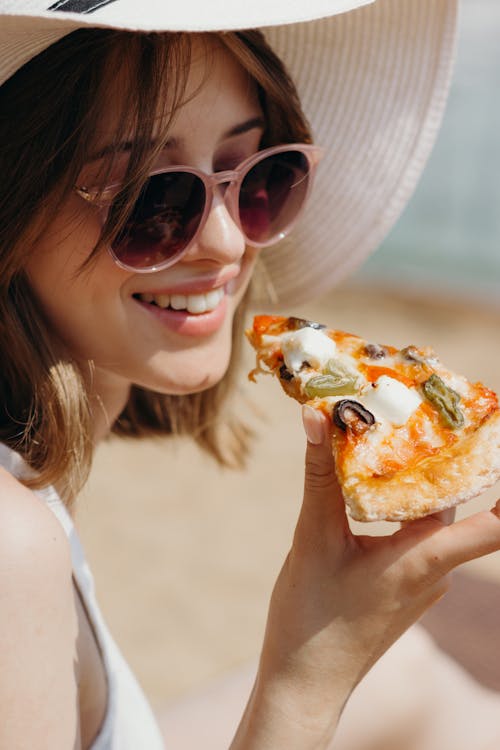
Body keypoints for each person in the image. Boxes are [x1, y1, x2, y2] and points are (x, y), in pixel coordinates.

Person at [0, 1, 499, 749]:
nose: (227, 241)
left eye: (260, 174)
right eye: (152, 197)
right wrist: (309, 675)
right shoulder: (11, 547)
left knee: (411, 678)